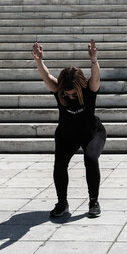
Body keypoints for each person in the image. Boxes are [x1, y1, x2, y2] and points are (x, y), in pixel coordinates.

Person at [32, 39, 106, 218]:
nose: (70, 97)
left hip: (91, 134)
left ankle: (93, 201)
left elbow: (95, 77)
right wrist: (39, 61)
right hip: (67, 135)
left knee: (90, 158)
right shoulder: (60, 90)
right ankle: (62, 203)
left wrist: (94, 60)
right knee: (59, 165)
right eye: (67, 94)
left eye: (74, 94)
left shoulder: (89, 90)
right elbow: (47, 77)